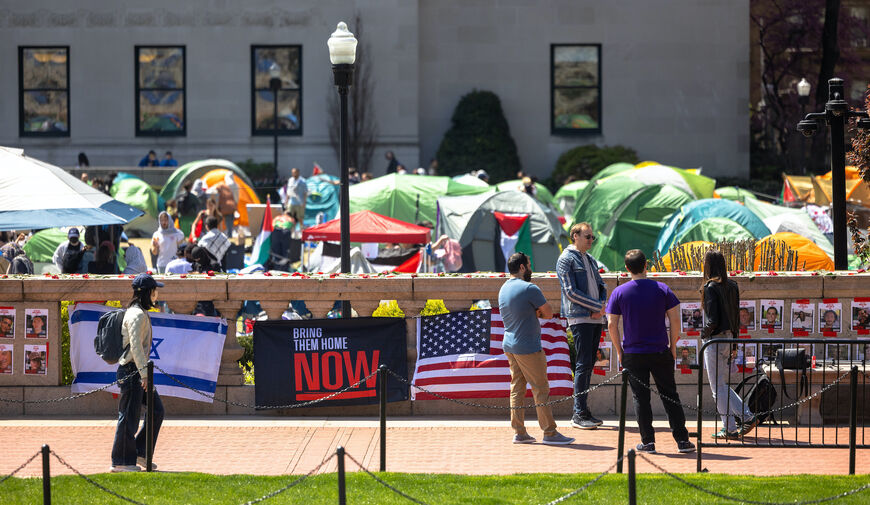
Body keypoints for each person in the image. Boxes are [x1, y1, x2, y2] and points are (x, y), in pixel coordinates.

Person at [607, 249, 695, 454]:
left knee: (641, 398)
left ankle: (648, 441)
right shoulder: (662, 289)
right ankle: (682, 440)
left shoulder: (619, 292)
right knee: (670, 395)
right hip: (659, 350)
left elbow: (612, 324)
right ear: (646, 265)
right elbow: (675, 321)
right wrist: (673, 347)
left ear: (627, 268)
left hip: (633, 352)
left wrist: (619, 350)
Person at [498, 252, 575, 445]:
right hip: (528, 346)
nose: (531, 268)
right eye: (529, 264)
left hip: (509, 343)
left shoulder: (503, 288)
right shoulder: (529, 288)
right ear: (522, 267)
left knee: (517, 388)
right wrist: (537, 312)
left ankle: (519, 432)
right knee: (540, 389)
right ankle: (549, 433)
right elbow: (548, 313)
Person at [110, 273, 165, 472]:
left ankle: (140, 453)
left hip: (137, 371)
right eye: (154, 291)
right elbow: (135, 347)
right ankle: (121, 461)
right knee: (128, 417)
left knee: (156, 410)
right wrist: (144, 375)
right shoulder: (137, 314)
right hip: (132, 371)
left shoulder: (139, 311)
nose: (156, 295)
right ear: (146, 293)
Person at [700, 249, 757, 439]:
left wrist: (703, 334)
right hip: (729, 337)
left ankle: (730, 428)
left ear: (708, 266)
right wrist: (735, 343)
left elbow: (713, 320)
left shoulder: (710, 287)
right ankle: (746, 415)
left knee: (717, 388)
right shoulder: (732, 285)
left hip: (715, 340)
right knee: (722, 385)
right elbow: (735, 317)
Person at [556, 222, 607, 430]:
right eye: (587, 236)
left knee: (588, 365)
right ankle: (578, 413)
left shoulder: (590, 259)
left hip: (595, 318)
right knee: (583, 364)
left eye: (592, 237)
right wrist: (596, 306)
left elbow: (602, 285)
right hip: (580, 318)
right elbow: (570, 292)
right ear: (574, 236)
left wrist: (601, 306)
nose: (591, 240)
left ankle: (584, 411)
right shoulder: (565, 259)